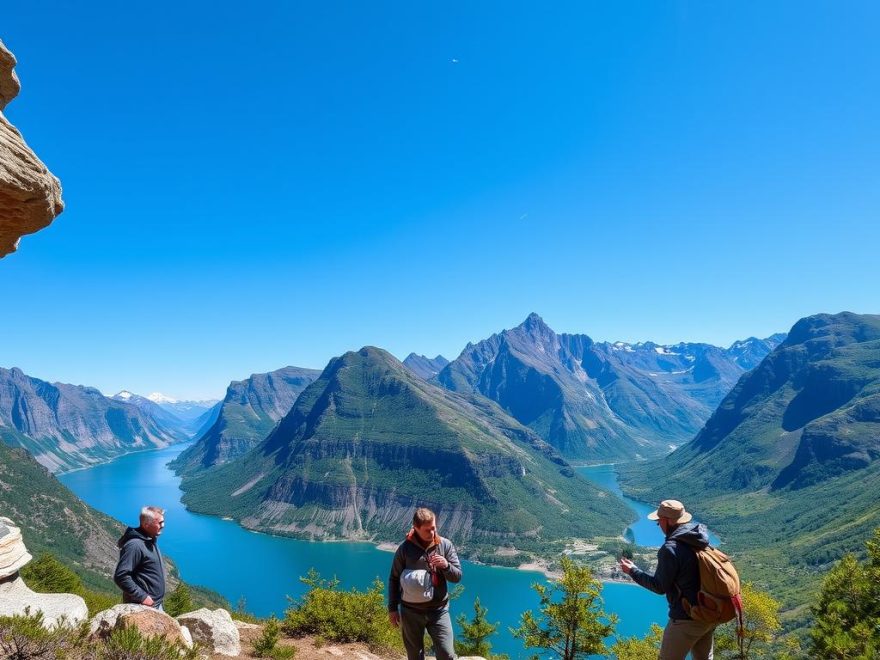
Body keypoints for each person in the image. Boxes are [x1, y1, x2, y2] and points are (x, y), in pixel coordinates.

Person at [619, 499, 715, 660]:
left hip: (685, 619)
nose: (659, 525)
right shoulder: (698, 540)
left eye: (659, 522)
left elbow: (659, 586)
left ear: (667, 521)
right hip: (707, 614)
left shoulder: (671, 549)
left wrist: (632, 571)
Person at [388, 508, 462, 660]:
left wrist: (446, 566)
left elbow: (457, 576)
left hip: (439, 610)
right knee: (415, 656)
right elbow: (394, 579)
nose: (432, 532)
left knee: (447, 654)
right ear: (416, 528)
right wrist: (393, 609)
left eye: (434, 528)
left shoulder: (445, 545)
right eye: (427, 530)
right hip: (410, 612)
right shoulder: (404, 549)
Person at [114, 505, 166, 609]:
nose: (163, 525)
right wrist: (142, 597)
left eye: (163, 521)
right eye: (159, 523)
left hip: (154, 604)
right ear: (146, 525)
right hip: (142, 606)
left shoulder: (149, 539)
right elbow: (121, 575)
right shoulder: (135, 545)